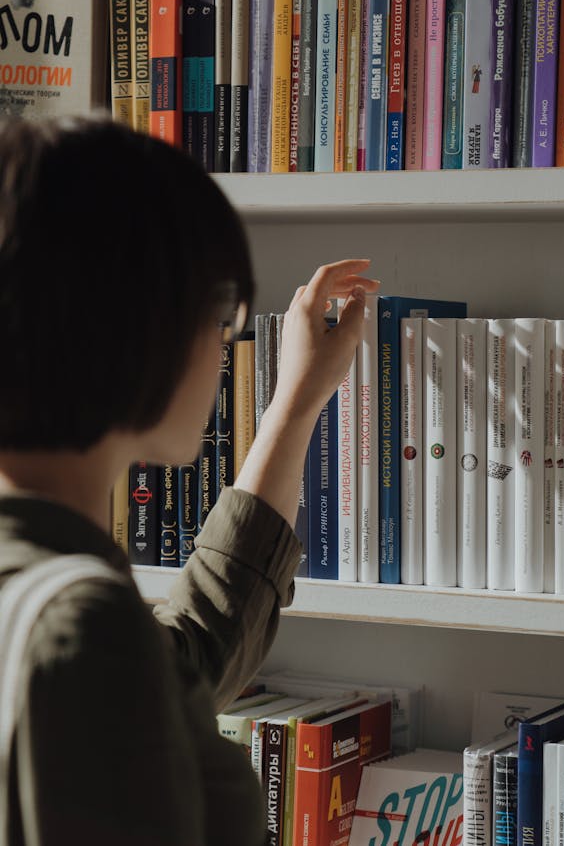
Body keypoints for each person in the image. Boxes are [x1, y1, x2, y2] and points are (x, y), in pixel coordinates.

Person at [0, 114, 379, 846]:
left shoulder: (51, 600)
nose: (225, 344)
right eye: (219, 312)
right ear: (137, 325)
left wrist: (295, 405)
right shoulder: (82, 636)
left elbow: (187, 657)